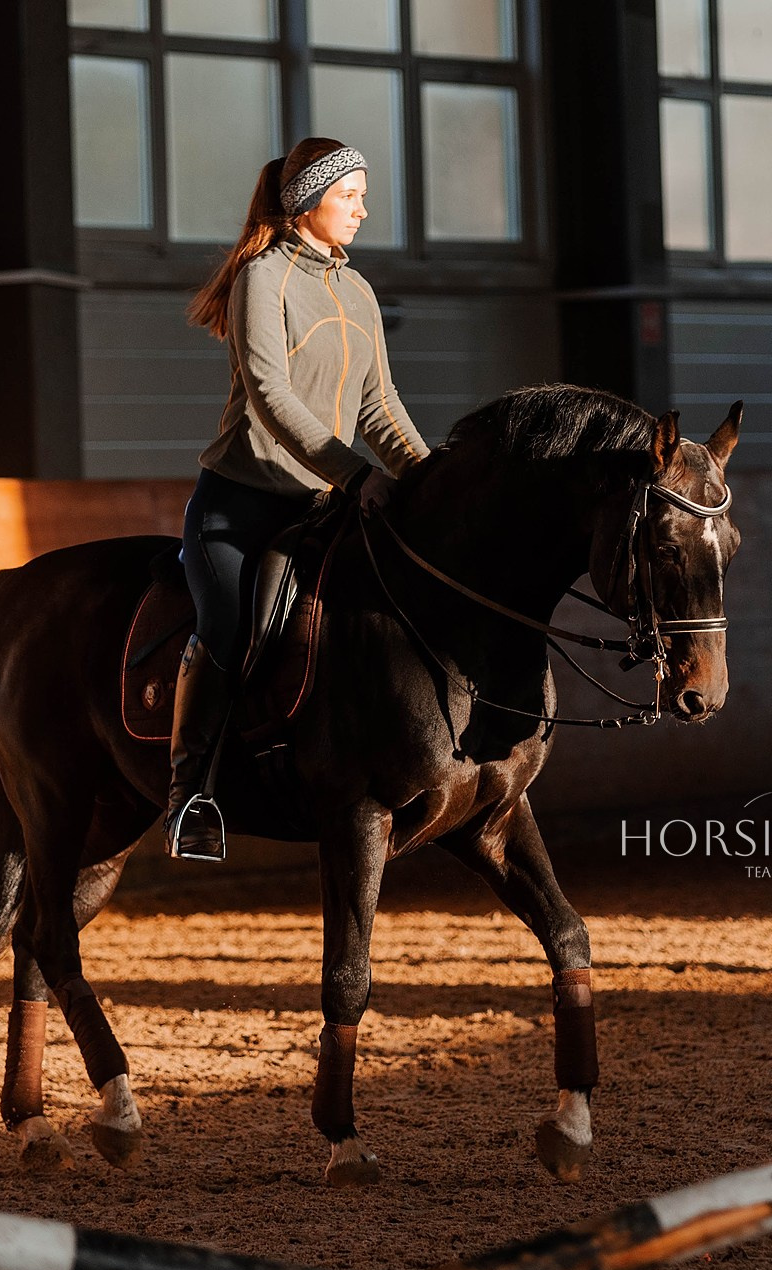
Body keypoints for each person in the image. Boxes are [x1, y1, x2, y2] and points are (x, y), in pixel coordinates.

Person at [164, 137, 432, 861]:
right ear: (308, 201)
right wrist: (354, 474)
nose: (362, 210)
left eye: (361, 197)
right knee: (230, 627)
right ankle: (191, 793)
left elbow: (380, 406)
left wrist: (430, 478)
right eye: (350, 196)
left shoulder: (359, 290)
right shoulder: (264, 274)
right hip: (241, 505)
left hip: (321, 503)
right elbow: (271, 394)